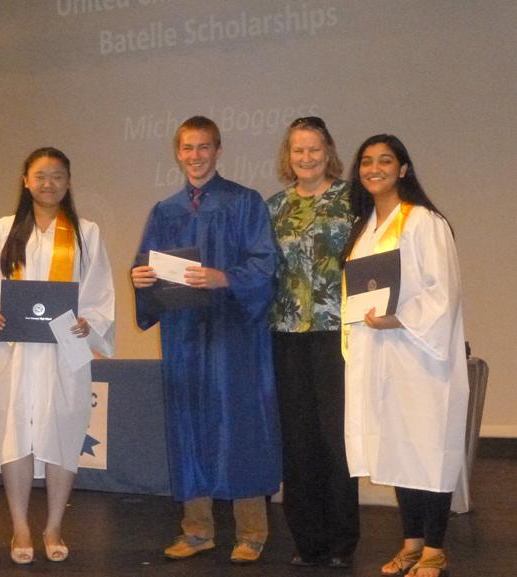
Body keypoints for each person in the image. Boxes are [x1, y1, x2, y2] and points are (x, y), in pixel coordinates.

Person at [131, 116, 281, 564]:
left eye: (203, 148)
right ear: (177, 154)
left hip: (234, 335)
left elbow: (265, 266)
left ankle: (251, 532)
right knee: (189, 425)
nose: (195, 156)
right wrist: (141, 279)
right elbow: (152, 271)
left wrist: (224, 278)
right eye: (187, 148)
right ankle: (197, 529)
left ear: (218, 150)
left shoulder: (245, 202)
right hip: (185, 336)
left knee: (241, 426)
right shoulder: (165, 211)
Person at [0, 147, 115, 564]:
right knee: (14, 433)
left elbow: (98, 289)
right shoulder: (1, 230)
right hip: (17, 348)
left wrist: (90, 321)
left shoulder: (86, 232)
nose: (48, 183)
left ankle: (53, 525)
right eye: (40, 175)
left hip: (65, 348)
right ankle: (20, 525)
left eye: (57, 176)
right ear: (26, 181)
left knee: (62, 433)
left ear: (68, 182)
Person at [341, 135, 469, 577]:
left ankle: (435, 547)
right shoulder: (365, 227)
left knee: (428, 449)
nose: (374, 168)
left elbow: (443, 291)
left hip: (421, 358)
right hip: (380, 357)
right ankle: (411, 542)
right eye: (366, 162)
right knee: (398, 449)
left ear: (403, 169)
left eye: (385, 160)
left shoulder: (423, 222)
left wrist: (398, 319)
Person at [266, 117, 359, 568]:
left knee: (335, 439)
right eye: (298, 150)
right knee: (298, 440)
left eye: (314, 150)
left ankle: (341, 543)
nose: (306, 158)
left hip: (336, 335)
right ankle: (307, 542)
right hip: (286, 335)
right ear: (289, 155)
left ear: (329, 151)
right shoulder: (274, 207)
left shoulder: (351, 200)